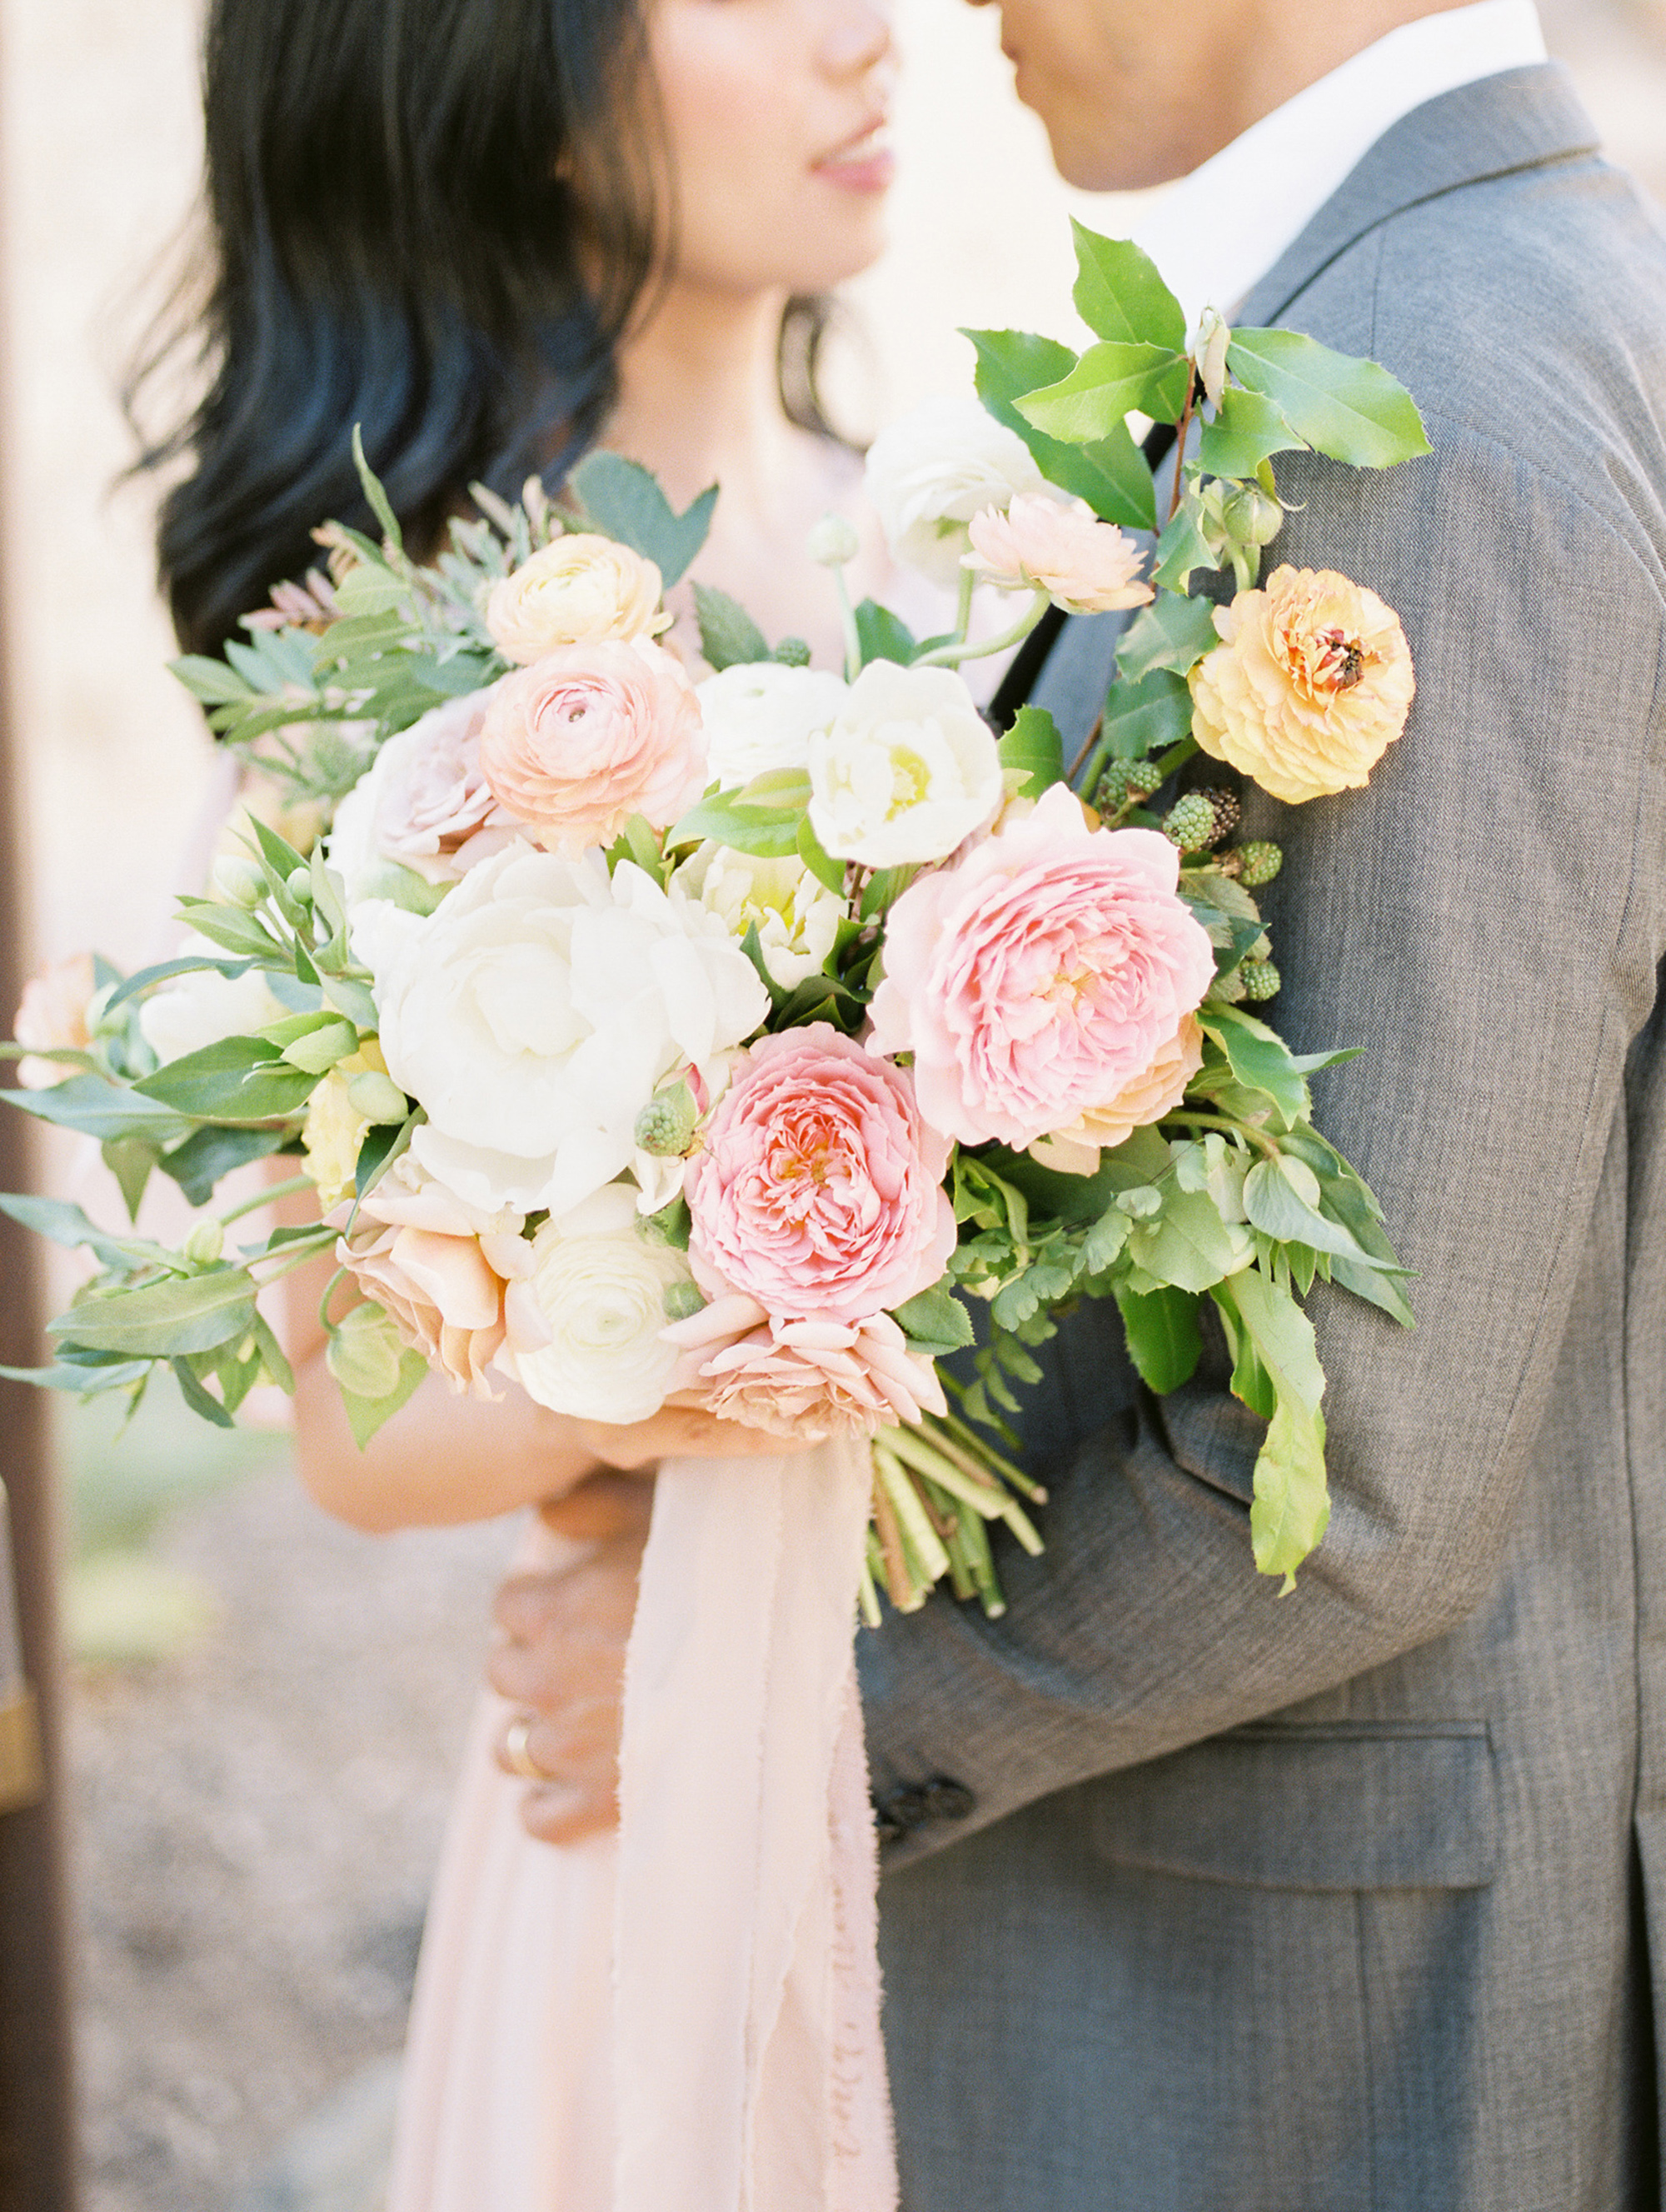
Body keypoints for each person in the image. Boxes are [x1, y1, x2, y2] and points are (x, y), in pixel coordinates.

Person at [493, 0, 1666, 2202]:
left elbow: (1374, 1466)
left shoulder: (1447, 406)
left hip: (1302, 2018)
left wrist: (793, 1714)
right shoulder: (1394, 312)